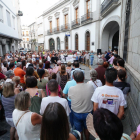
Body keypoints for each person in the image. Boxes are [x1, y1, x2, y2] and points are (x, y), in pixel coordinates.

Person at [68, 70, 94, 140]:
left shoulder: (71, 89)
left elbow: (69, 97)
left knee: (79, 131)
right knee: (87, 128)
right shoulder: (90, 87)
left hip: (76, 113)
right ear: (84, 78)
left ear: (74, 78)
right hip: (88, 112)